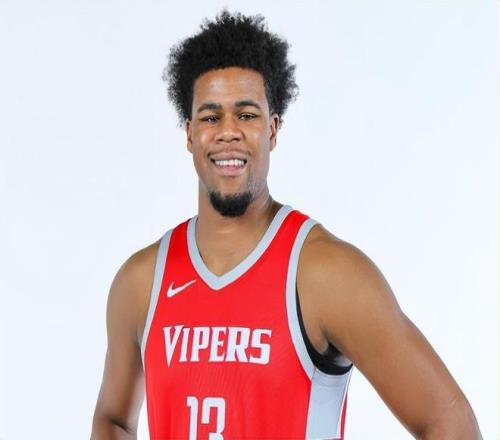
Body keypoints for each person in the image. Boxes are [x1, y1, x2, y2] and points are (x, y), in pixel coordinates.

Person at [91, 10, 481, 440]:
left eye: (246, 115)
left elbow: (450, 422)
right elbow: (113, 420)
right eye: (210, 117)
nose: (227, 132)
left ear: (273, 129)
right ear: (189, 133)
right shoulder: (142, 281)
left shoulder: (325, 273)